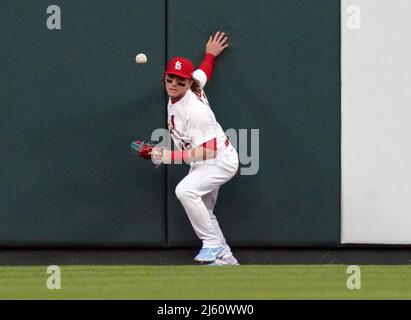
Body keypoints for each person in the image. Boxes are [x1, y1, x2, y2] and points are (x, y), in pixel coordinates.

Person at [144, 31, 239, 266]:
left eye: (180, 81)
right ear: (165, 77)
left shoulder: (195, 111)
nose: (174, 85)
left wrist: (169, 156)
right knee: (204, 211)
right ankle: (225, 257)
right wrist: (210, 54)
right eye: (170, 79)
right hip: (202, 160)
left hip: (219, 160)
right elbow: (203, 72)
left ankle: (211, 244)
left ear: (188, 84)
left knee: (185, 191)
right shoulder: (192, 84)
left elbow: (209, 150)